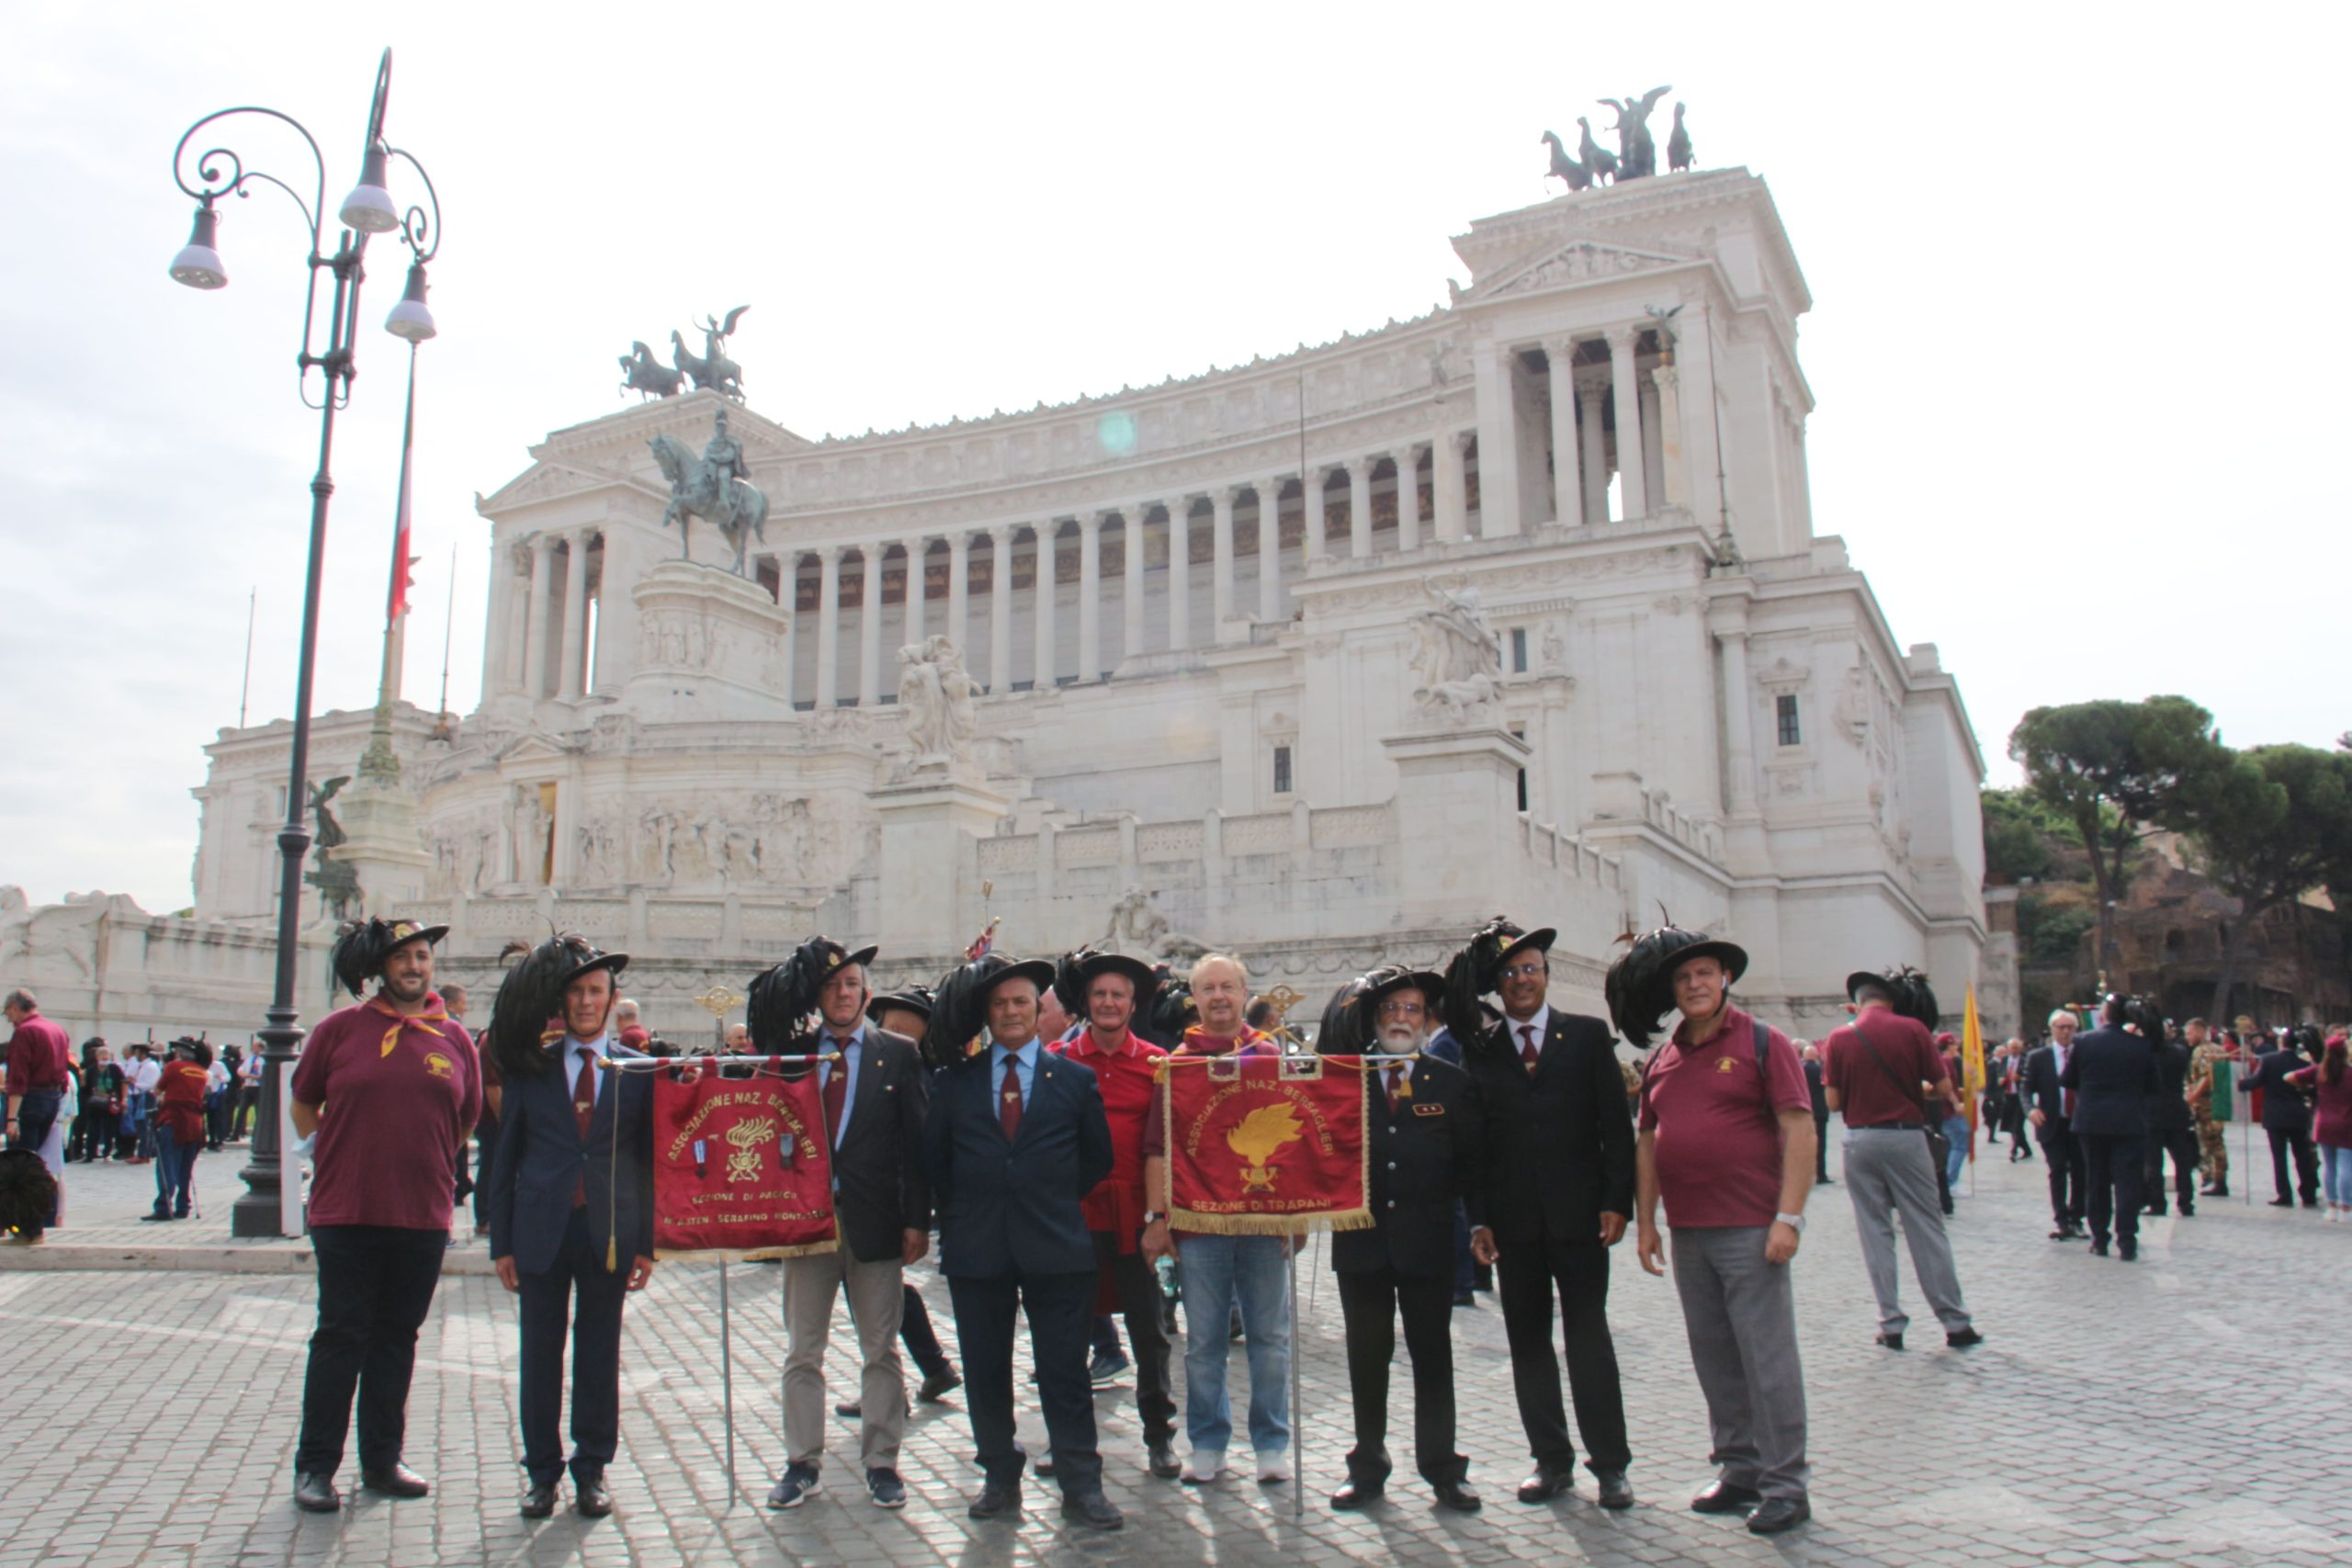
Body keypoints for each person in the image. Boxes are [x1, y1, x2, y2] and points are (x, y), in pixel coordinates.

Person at [1619, 926, 1815, 1537]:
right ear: (1672, 990)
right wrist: (1646, 1221)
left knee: (1767, 1358)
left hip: (1752, 1227)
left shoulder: (1763, 1040)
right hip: (1690, 1232)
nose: (1696, 984)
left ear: (1725, 977)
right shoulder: (1664, 1054)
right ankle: (1740, 1466)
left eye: (1705, 972)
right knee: (1715, 1356)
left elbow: (1799, 1129)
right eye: (1684, 977)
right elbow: (1648, 1139)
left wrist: (1789, 1216)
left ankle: (1787, 1483)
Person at [1440, 919, 1634, 1510]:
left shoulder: (1587, 1036)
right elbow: (1473, 1144)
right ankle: (1551, 1461)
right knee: (1528, 1344)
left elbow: (1614, 1128)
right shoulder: (1482, 1050)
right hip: (1513, 1225)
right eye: (1511, 972)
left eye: (1531, 969)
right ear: (1496, 985)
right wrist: (1478, 1219)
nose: (1522, 980)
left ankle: (1612, 1466)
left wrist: (1616, 1201)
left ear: (1547, 976)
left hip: (1581, 1220)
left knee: (1589, 1341)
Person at [922, 954, 1121, 1530]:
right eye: (1000, 1004)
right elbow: (937, 1160)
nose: (1011, 1012)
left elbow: (1096, 1158)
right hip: (978, 1250)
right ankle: (999, 1476)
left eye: (1021, 1003)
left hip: (1055, 1246)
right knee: (986, 1371)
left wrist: (1045, 1196)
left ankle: (1082, 1484)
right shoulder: (954, 1082)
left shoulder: (1076, 1081)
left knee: (1065, 1372)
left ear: (1039, 1012)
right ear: (986, 1014)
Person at [288, 919, 481, 1514]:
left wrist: (426, 1163)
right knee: (340, 1336)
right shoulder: (339, 1029)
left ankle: (382, 1459)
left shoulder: (454, 1037)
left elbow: (467, 1118)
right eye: (402, 958)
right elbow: (302, 1100)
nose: (415, 966)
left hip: (421, 1214)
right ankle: (316, 1466)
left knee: (398, 1339)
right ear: (381, 968)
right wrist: (333, 1152)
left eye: (422, 956)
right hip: (347, 1211)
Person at [759, 938, 933, 1513]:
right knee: (802, 1347)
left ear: (867, 993)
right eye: (832, 985)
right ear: (820, 994)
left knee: (879, 1347)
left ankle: (882, 1460)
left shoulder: (899, 1053)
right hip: (807, 1224)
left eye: (852, 985)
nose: (842, 994)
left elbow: (916, 1145)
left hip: (876, 1222)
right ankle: (800, 1460)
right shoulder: (795, 1053)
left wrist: (916, 1221)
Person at [487, 934, 656, 1519]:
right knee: (539, 1353)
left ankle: (592, 1468)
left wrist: (648, 1245)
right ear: (563, 1000)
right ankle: (541, 1472)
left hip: (609, 1228)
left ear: (613, 1000)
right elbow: (504, 1156)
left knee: (598, 1352)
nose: (587, 1002)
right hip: (540, 1228)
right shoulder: (531, 1070)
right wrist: (500, 1242)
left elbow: (648, 1160)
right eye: (578, 992)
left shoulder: (638, 1069)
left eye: (597, 992)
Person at [1325, 965, 1486, 1514]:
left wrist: (1483, 1224)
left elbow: (1471, 1168)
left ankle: (1443, 1468)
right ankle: (1367, 1467)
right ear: (1375, 1018)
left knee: (1432, 1359)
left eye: (1411, 1009)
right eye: (1391, 1009)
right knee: (1367, 1360)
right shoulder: (1343, 1079)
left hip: (1427, 1245)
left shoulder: (1451, 1082)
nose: (1401, 1019)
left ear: (1426, 1018)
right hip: (1361, 1245)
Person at [1141, 953, 1294, 1487]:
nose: (1219, 997)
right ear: (1196, 998)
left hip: (1263, 1221)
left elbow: (1299, 1146)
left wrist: (1298, 1214)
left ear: (1243, 992)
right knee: (1203, 1341)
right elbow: (1157, 1146)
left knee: (1269, 1338)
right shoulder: (1176, 1063)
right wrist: (1158, 1218)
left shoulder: (1271, 1055)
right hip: (1200, 1224)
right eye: (1208, 989)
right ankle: (1208, 1442)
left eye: (1228, 987)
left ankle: (1272, 1442)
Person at [1048, 951, 1180, 1482]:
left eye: (1118, 995)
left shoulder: (1156, 1063)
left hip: (1135, 1216)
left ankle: (1159, 1437)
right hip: (1073, 1218)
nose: (1108, 1003)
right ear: (1087, 1001)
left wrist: (1161, 1218)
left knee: (1150, 1332)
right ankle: (1070, 1442)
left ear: (1132, 1004)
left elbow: (1166, 1144)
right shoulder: (1057, 1059)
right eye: (1100, 994)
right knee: (1067, 1334)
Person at [1821, 968, 1979, 1352]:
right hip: (1905, 1137)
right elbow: (1942, 1088)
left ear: (1858, 1002)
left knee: (1875, 1231)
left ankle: (1890, 1324)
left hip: (1859, 1139)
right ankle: (1954, 1322)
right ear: (1892, 999)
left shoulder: (1839, 1037)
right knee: (1926, 1227)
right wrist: (1915, 1090)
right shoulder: (1913, 1030)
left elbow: (1833, 1103)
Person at [834, 984, 961, 1420]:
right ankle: (930, 1367)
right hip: (874, 1199)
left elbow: (915, 1145)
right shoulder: (904, 1063)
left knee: (876, 1297)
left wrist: (916, 1215)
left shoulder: (910, 1068)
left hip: (884, 1199)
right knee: (881, 1293)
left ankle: (899, 1385)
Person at [2061, 996, 2161, 1260]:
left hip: (2092, 1120)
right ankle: (2127, 1239)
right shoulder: (2141, 1045)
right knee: (2128, 1182)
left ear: (2104, 1015)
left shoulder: (2083, 1042)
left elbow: (2068, 1079)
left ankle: (2100, 1237)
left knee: (2096, 1180)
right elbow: (2154, 1085)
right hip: (2129, 1120)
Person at [3, 990, 73, 1233]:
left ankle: (25, 1224)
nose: (9, 1019)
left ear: (14, 1007)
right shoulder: (57, 1030)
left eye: (7, 1013)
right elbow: (64, 1073)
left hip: (30, 1101)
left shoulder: (25, 1032)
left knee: (20, 1166)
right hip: (52, 1099)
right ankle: (42, 1217)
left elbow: (18, 1078)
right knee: (37, 1163)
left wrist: (12, 1118)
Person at [2024, 1011, 2087, 1240]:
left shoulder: (2083, 1054)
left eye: (2070, 1027)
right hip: (2052, 1122)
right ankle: (2061, 1219)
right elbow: (2026, 1088)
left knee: (2081, 1172)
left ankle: (2077, 1217)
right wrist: (2030, 1109)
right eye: (2060, 1027)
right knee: (2057, 1169)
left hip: (2080, 1122)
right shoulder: (2038, 1057)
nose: (2065, 1031)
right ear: (2052, 1030)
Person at [2242, 1029, 2320, 1208]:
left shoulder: (2269, 1061)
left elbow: (2256, 1082)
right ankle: (2308, 1193)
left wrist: (2242, 1083)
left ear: (2281, 1043)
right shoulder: (2303, 1063)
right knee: (2302, 1156)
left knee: (2279, 1157)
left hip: (2275, 1115)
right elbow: (2312, 1089)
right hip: (2298, 1114)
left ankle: (2284, 1193)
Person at [2284, 1033, 2352, 1221]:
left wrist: (2306, 1088)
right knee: (2347, 1167)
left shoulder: (2319, 1071)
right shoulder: (2350, 1074)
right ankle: (2347, 1207)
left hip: (2323, 1124)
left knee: (2329, 1167)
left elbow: (2288, 1077)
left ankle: (2332, 1207)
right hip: (2346, 1124)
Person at [144, 1039, 211, 1222]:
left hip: (173, 1121)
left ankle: (164, 1206)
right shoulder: (202, 1072)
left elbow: (157, 1091)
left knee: (167, 1165)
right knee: (185, 1166)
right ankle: (183, 1205)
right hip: (195, 1124)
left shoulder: (174, 1067)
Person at [2144, 1021, 2199, 1217]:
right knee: (2182, 1161)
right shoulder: (2180, 1052)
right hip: (2176, 1109)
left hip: (2152, 1111)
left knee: (2153, 1163)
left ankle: (2157, 1203)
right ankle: (2186, 1202)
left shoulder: (2146, 1053)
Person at [2183, 1018, 2231, 1197]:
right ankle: (2218, 1178)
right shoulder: (2219, 1049)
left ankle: (2215, 1179)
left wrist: (2192, 1097)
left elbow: (2205, 1077)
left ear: (2200, 1031)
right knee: (2216, 1141)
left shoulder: (2202, 1052)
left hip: (2206, 1104)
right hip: (2219, 1103)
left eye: (2190, 1032)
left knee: (2210, 1142)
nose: (2188, 1037)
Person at [71, 1042, 121, 1163]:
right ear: (97, 1057)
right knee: (93, 1128)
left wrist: (123, 1099)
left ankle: (107, 1153)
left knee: (109, 1128)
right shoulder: (91, 1069)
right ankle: (90, 1154)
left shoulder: (114, 1068)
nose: (104, 1059)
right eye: (102, 1056)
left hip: (110, 1102)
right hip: (94, 1103)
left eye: (106, 1056)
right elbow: (85, 1087)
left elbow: (122, 1083)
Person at [1801, 1043, 1832, 1184]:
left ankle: (1804, 1174)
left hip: (1804, 1110)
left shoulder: (1799, 1068)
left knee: (1803, 1143)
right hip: (1819, 1111)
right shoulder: (1820, 1070)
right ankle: (1821, 1174)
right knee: (1820, 1143)